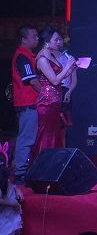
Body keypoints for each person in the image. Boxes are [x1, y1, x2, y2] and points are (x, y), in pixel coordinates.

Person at [34, 27, 75, 155]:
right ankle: (42, 164)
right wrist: (67, 66)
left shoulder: (50, 55)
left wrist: (71, 70)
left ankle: (53, 164)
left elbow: (59, 76)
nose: (59, 42)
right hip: (47, 102)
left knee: (55, 134)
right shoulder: (42, 59)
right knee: (47, 135)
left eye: (59, 39)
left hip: (55, 100)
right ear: (47, 41)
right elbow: (55, 80)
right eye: (56, 40)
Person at [10, 26, 41, 185]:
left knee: (28, 137)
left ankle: (23, 170)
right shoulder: (22, 56)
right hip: (27, 103)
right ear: (23, 39)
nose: (37, 39)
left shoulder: (28, 55)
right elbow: (32, 80)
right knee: (26, 138)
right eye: (34, 36)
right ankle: (20, 173)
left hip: (29, 102)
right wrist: (44, 93)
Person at [0, 141, 24, 235]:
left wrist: (17, 190)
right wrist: (13, 204)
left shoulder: (5, 177)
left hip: (9, 215)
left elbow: (11, 184)